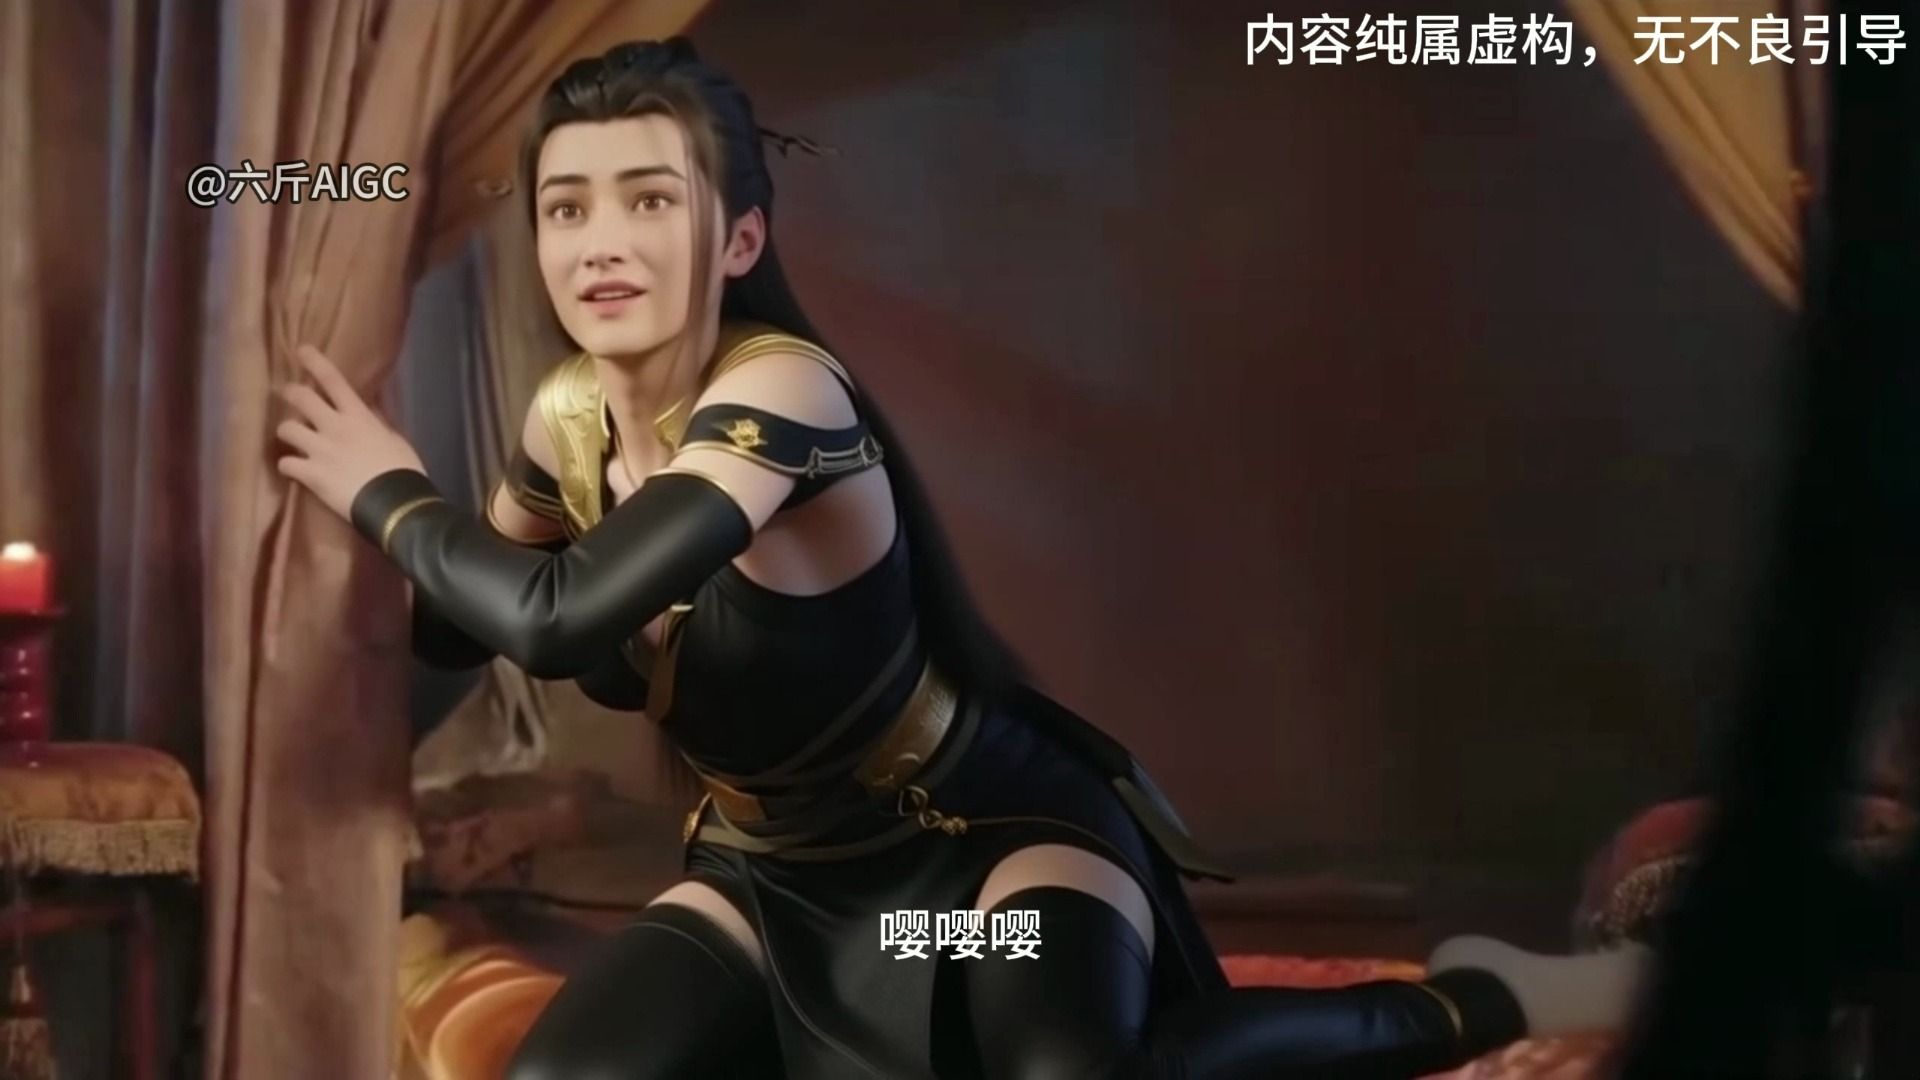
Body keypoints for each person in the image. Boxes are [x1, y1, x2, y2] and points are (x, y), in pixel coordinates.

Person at [276, 37, 1647, 1080]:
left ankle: (1484, 995)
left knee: (1063, 1073)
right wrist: (314, 738)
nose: (601, 245)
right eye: (566, 208)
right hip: (775, 878)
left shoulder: (784, 397)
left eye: (648, 199)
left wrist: (382, 487)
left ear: (738, 237)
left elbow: (558, 618)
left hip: (971, 863)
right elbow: (468, 626)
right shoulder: (566, 418)